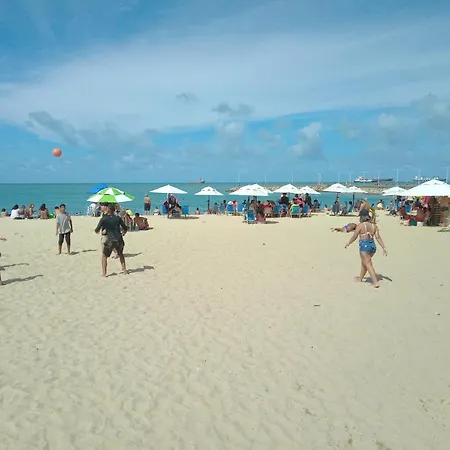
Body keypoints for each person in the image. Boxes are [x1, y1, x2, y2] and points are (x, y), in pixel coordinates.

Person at [344, 209, 387, 288]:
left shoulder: (360, 225)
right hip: (372, 246)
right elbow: (378, 237)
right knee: (364, 263)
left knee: (368, 264)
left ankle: (375, 282)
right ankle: (360, 278)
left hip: (364, 246)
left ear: (361, 217)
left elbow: (355, 236)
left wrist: (348, 243)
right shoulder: (374, 226)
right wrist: (383, 247)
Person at [94, 204, 128, 277]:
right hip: (119, 239)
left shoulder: (104, 219)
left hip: (110, 240)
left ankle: (104, 274)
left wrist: (103, 230)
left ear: (108, 210)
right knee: (121, 254)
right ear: (114, 210)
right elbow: (125, 228)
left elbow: (96, 230)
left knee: (104, 256)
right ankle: (124, 270)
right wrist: (123, 233)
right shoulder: (118, 218)